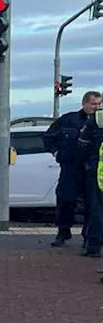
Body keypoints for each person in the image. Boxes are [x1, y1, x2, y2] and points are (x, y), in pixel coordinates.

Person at [44, 91, 101, 248]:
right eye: (93, 104)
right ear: (84, 104)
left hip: (91, 169)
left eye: (99, 104)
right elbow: (48, 138)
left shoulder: (100, 122)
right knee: (65, 201)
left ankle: (88, 237)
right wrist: (57, 153)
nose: (97, 107)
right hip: (70, 167)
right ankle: (63, 232)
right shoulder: (68, 120)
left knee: (91, 205)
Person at [77, 104, 103, 258]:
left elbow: (82, 145)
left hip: (97, 174)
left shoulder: (97, 118)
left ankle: (94, 247)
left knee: (96, 212)